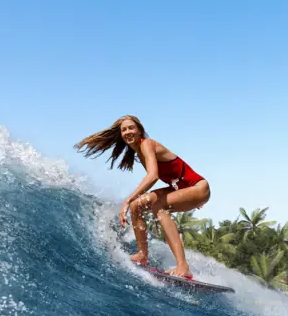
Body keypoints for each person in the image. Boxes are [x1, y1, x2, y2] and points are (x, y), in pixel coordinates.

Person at [75, 115, 210, 278]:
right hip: (184, 188)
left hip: (197, 187)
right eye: (124, 130)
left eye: (131, 128)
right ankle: (142, 255)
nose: (127, 132)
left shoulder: (147, 144)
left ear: (140, 131)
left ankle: (183, 266)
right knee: (136, 206)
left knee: (157, 206)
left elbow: (153, 176)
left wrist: (127, 199)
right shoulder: (140, 152)